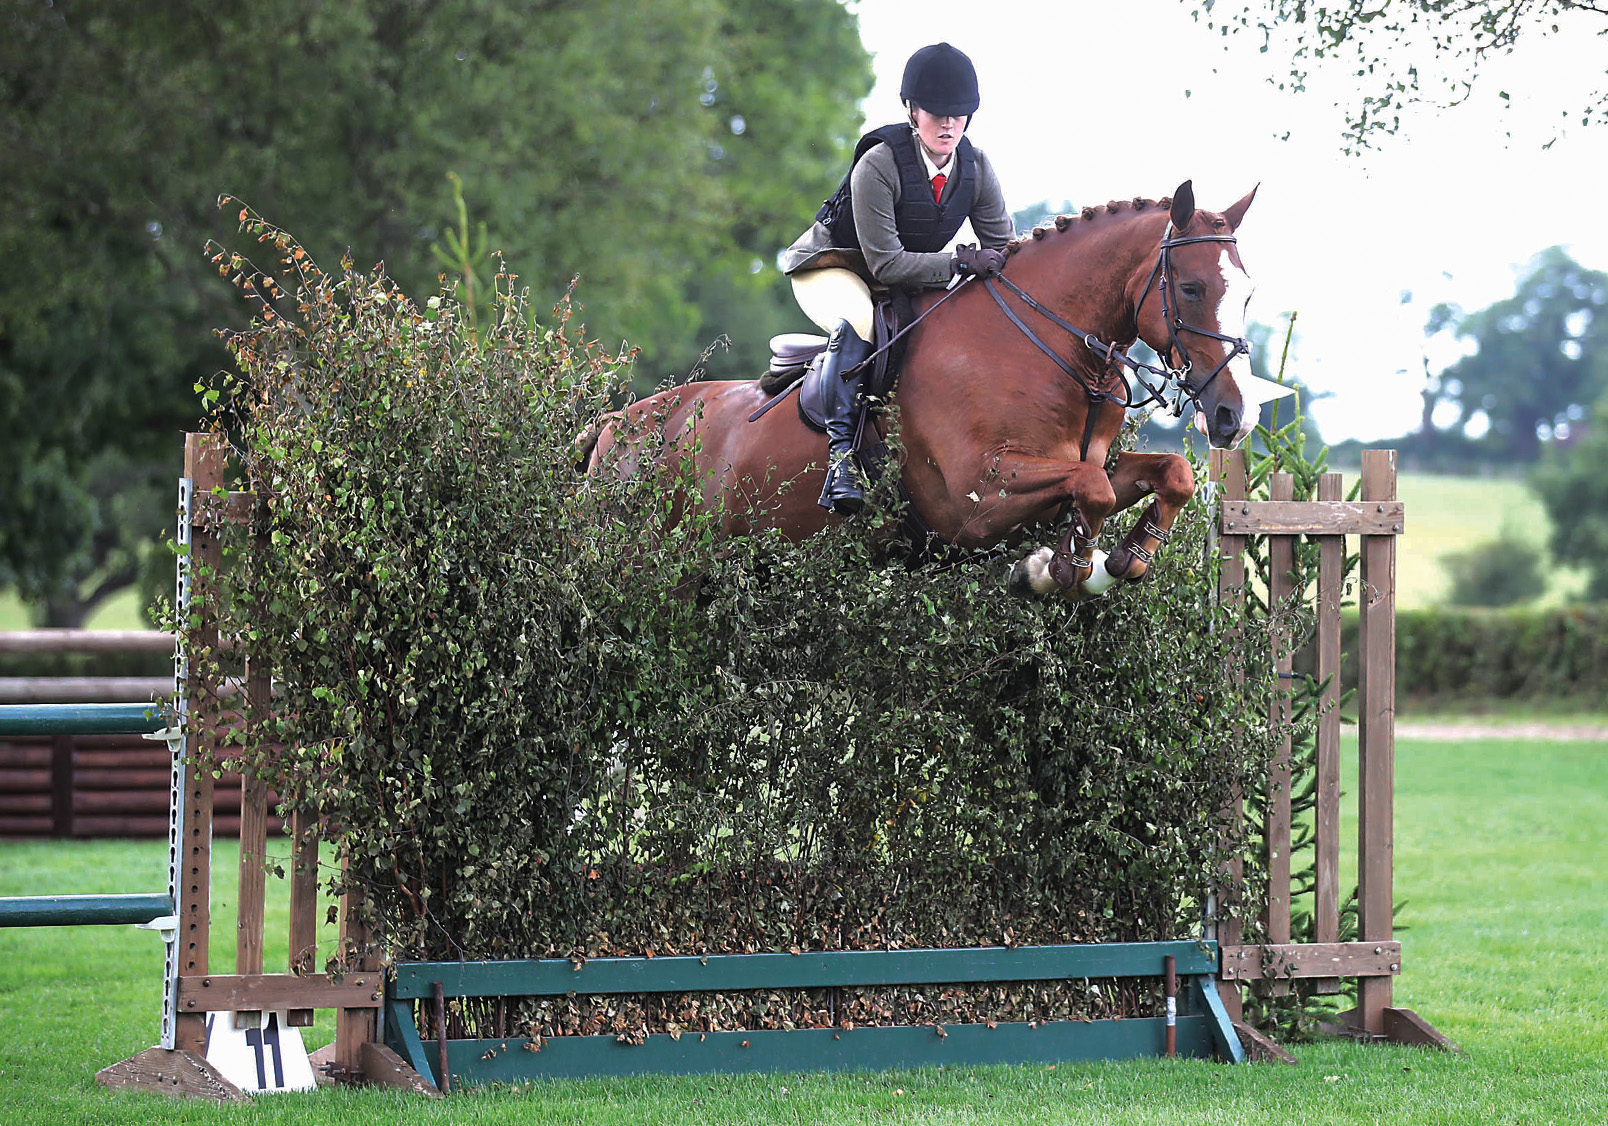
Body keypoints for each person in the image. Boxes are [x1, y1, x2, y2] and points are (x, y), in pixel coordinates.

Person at [780, 42, 1014, 515]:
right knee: (862, 322)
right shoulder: (879, 163)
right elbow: (885, 264)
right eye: (936, 112)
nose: (948, 124)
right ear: (911, 109)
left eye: (959, 113)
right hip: (835, 267)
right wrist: (958, 263)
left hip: (899, 278)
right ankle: (841, 461)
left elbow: (1006, 250)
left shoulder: (977, 168)